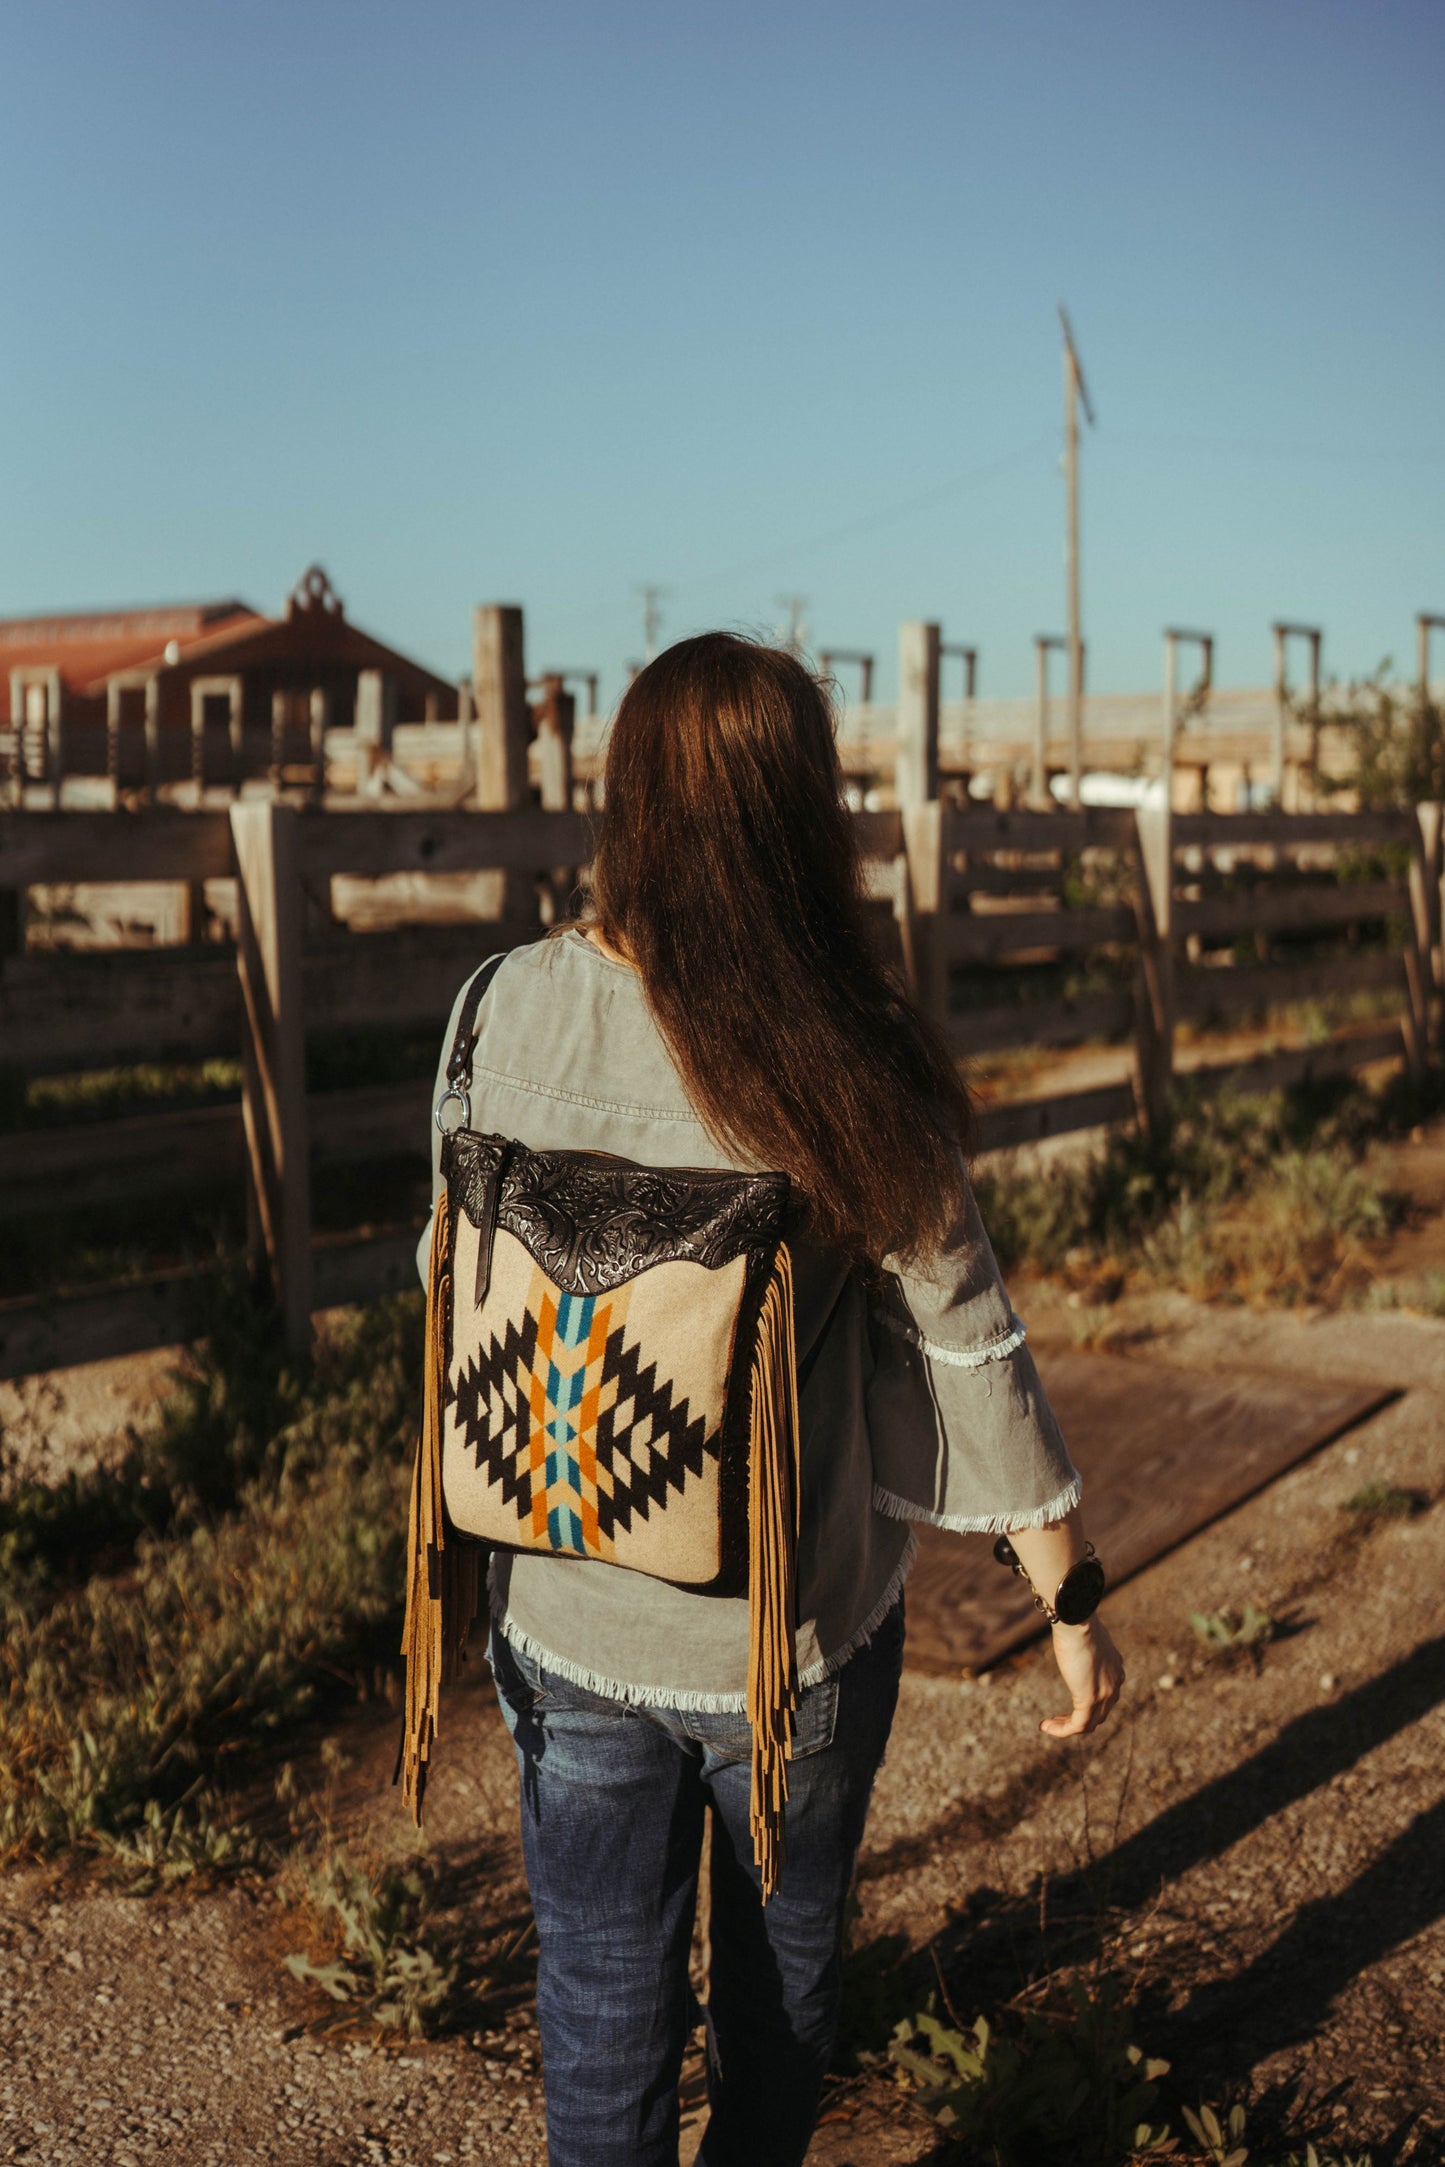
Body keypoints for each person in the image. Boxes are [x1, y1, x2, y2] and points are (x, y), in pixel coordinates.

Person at [419, 632, 1124, 2167]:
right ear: (803, 811)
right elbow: (967, 1345)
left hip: (560, 1609)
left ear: (626, 799)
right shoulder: (841, 1050)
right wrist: (1069, 1597)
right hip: (778, 1641)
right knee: (777, 2003)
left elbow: (443, 1269)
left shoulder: (496, 1006)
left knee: (598, 1997)